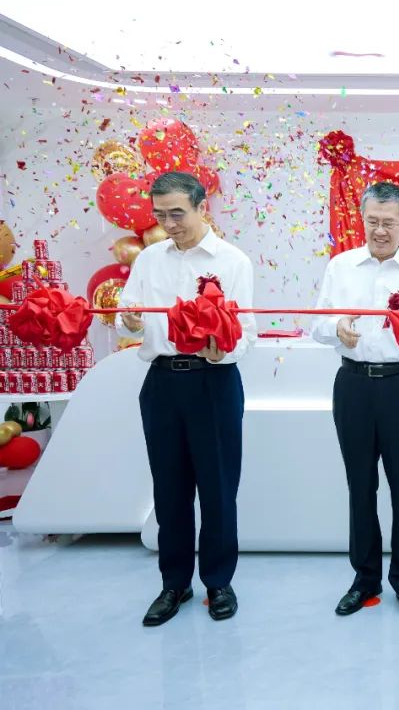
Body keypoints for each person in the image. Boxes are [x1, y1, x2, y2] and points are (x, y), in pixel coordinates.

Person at [118, 171, 255, 626]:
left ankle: (218, 582)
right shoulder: (149, 259)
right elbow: (127, 316)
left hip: (213, 381)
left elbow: (246, 333)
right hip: (161, 383)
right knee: (169, 490)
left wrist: (223, 350)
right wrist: (130, 322)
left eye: (177, 213)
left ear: (202, 208)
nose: (168, 223)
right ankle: (173, 584)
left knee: (218, 489)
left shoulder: (232, 261)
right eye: (160, 214)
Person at [312, 181, 399, 621]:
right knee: (359, 485)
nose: (381, 231)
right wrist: (337, 328)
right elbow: (317, 325)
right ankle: (364, 579)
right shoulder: (341, 267)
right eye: (373, 221)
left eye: (389, 222)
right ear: (363, 220)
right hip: (353, 386)